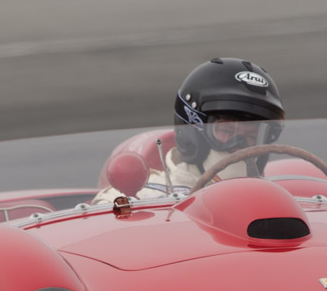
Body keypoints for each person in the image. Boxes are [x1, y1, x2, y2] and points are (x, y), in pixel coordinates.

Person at [93, 57, 285, 203]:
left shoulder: (278, 198)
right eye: (228, 132)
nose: (241, 147)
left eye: (253, 135)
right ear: (194, 131)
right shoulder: (144, 199)